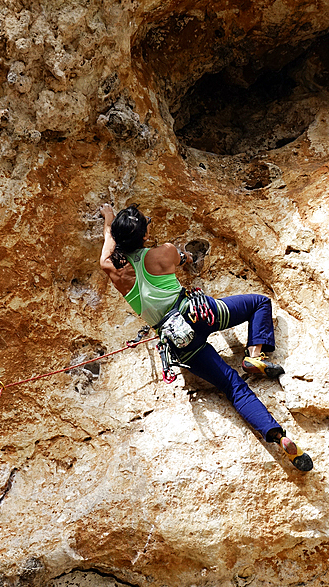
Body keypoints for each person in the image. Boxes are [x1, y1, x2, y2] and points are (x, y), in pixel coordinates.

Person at [99, 202, 313, 472]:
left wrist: (108, 220)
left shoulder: (112, 269)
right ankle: (254, 356)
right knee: (259, 303)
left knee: (234, 388)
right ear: (143, 235)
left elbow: (108, 243)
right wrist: (186, 258)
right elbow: (184, 258)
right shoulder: (162, 253)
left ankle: (278, 436)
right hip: (200, 314)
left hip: (178, 341)